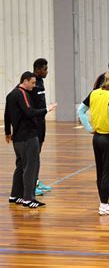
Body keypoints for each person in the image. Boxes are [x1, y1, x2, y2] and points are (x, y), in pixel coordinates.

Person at [5, 71, 57, 208]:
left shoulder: (11, 94)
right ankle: (28, 198)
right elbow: (29, 112)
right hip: (28, 137)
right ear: (25, 81)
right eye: (32, 83)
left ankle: (15, 195)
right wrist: (47, 109)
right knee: (31, 168)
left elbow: (6, 114)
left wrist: (7, 132)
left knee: (20, 167)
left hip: (18, 138)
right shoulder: (22, 93)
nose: (34, 86)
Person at [78, 70, 109, 215]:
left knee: (100, 171)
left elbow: (81, 111)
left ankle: (103, 202)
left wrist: (89, 128)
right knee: (108, 172)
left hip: (96, 138)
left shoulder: (94, 93)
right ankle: (104, 205)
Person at [31, 58, 53, 195]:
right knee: (33, 155)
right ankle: (31, 185)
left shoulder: (41, 82)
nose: (47, 71)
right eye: (45, 69)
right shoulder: (31, 83)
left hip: (41, 123)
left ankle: (36, 181)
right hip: (34, 124)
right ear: (38, 69)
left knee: (37, 153)